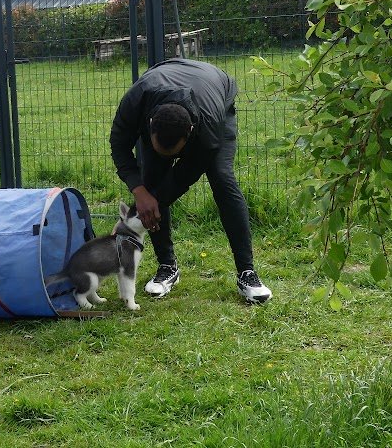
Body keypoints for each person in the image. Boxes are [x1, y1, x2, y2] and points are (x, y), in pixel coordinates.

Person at [109, 58, 272, 304]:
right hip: (163, 77)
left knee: (222, 180)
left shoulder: (208, 128)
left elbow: (184, 176)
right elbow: (119, 147)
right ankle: (168, 267)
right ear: (150, 125)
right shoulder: (135, 102)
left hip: (215, 89)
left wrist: (145, 208)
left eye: (174, 153)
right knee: (151, 182)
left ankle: (247, 273)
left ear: (190, 133)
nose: (171, 159)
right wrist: (140, 191)